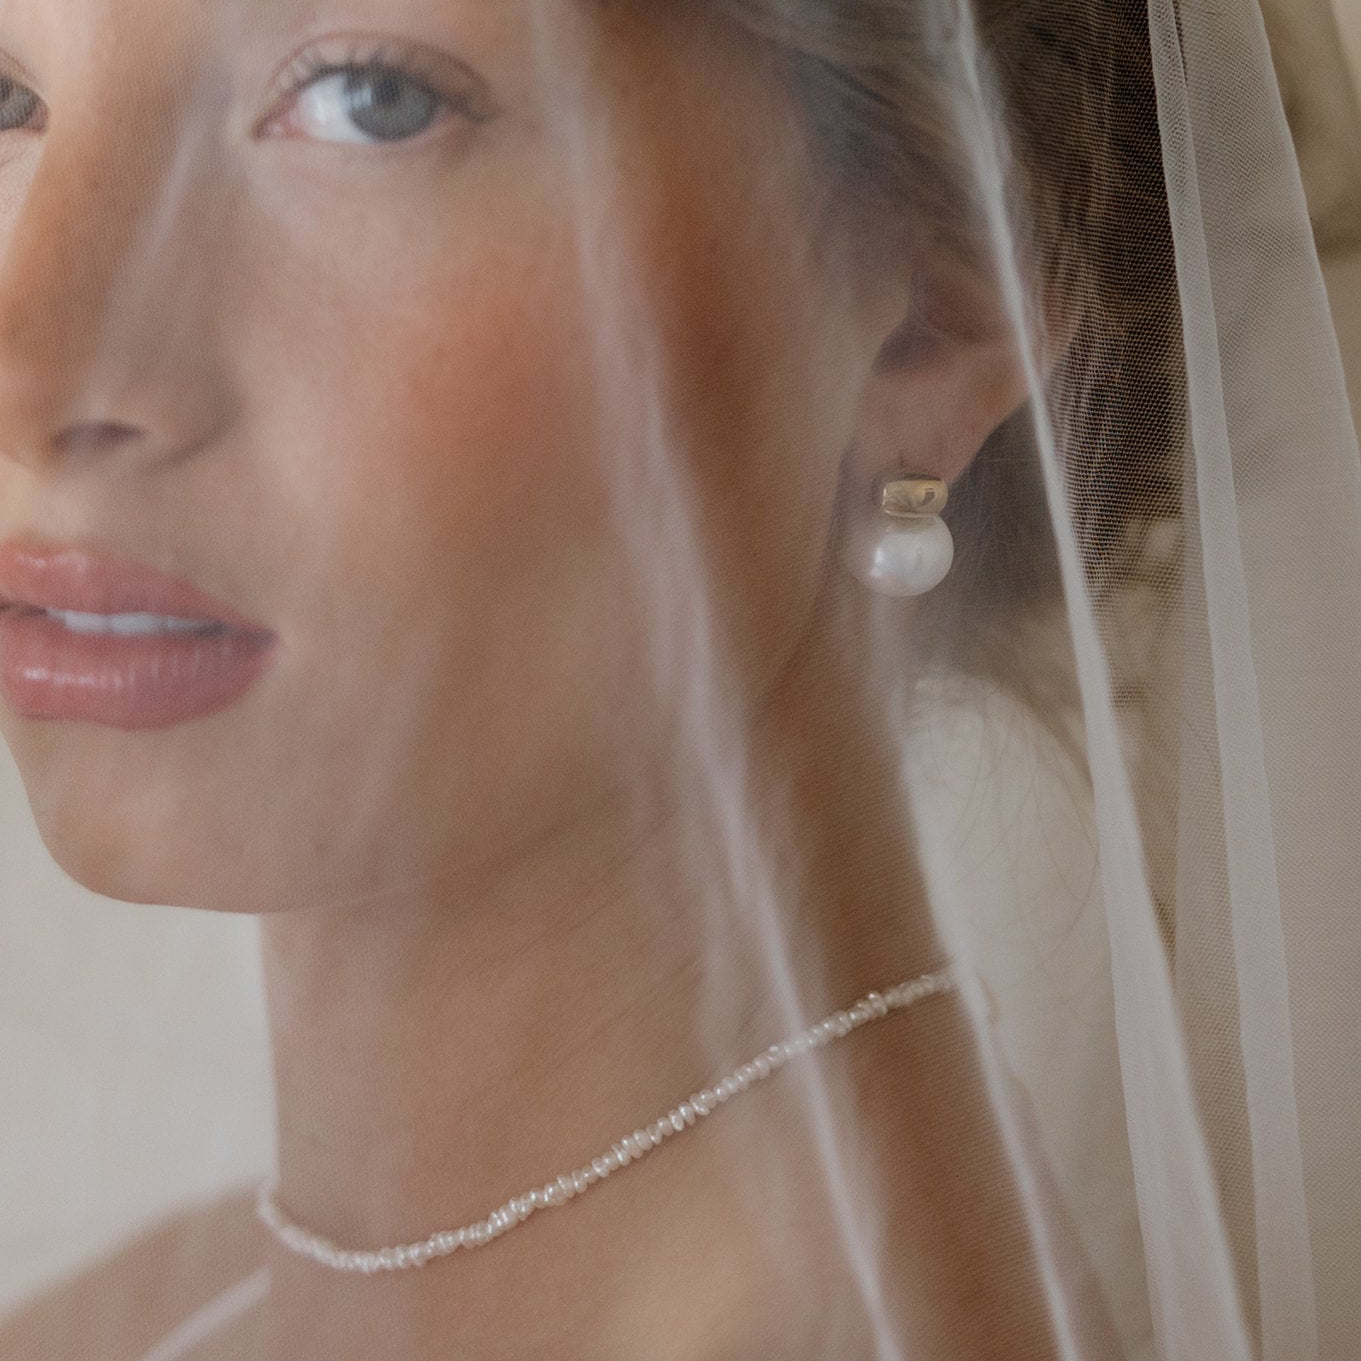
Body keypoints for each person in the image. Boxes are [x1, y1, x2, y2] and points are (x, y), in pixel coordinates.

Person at [1, 0, 1358, 1357]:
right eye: (5, 101)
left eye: (373, 100)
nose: (34, 369)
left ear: (935, 317)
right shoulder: (172, 1305)